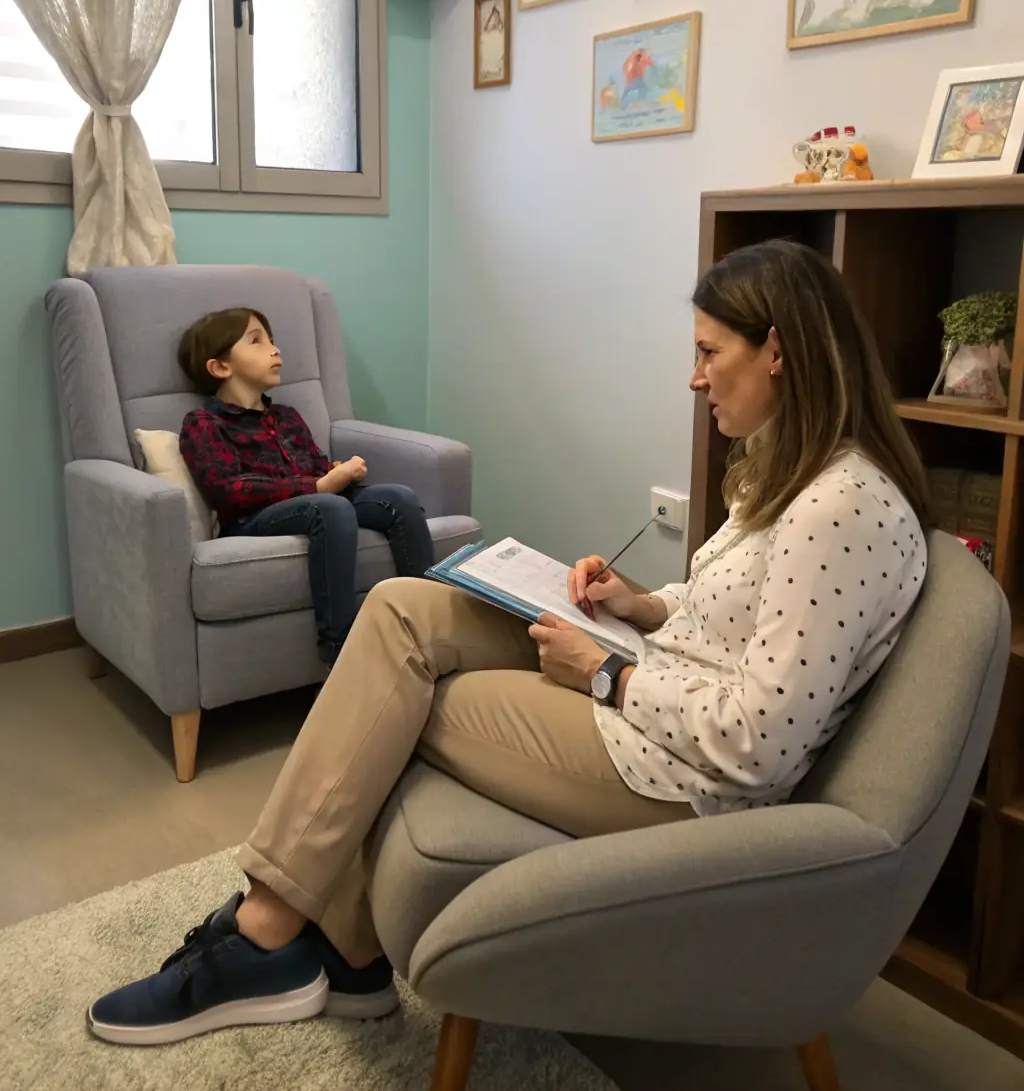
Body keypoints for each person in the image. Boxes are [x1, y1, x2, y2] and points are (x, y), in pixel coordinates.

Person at [88, 241, 930, 1046]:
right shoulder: (791, 474)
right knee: (398, 609)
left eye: (711, 351)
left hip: (678, 776)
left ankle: (273, 934)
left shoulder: (840, 507)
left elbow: (760, 742)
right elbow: (725, 621)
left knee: (408, 695)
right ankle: (335, 950)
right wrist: (635, 605)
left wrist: (601, 671)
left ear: (777, 349)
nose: (694, 374)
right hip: (654, 687)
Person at [176, 307, 435, 666]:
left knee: (398, 498)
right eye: (256, 341)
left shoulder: (287, 417)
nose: (274, 349)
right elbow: (228, 490)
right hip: (251, 520)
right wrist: (317, 485)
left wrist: (336, 472)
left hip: (315, 501)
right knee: (329, 506)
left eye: (272, 339)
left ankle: (428, 631)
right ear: (220, 367)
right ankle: (340, 653)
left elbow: (316, 467)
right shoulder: (204, 423)